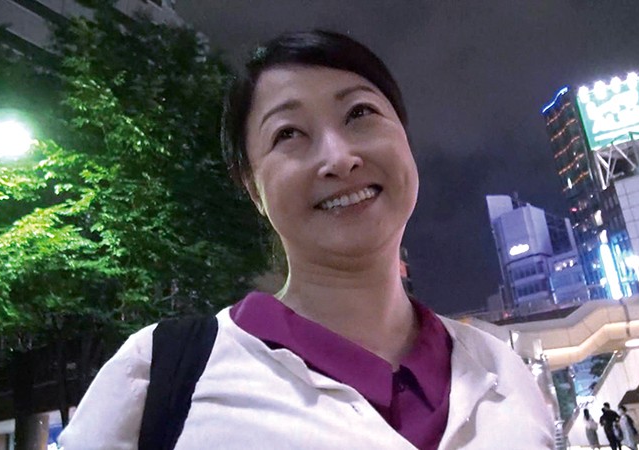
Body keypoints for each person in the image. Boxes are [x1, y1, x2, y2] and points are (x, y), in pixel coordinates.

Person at [57, 30, 554, 449]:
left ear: (404, 137)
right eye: (288, 134)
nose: (338, 158)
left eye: (359, 113)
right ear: (253, 189)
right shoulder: (158, 375)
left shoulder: (503, 373)